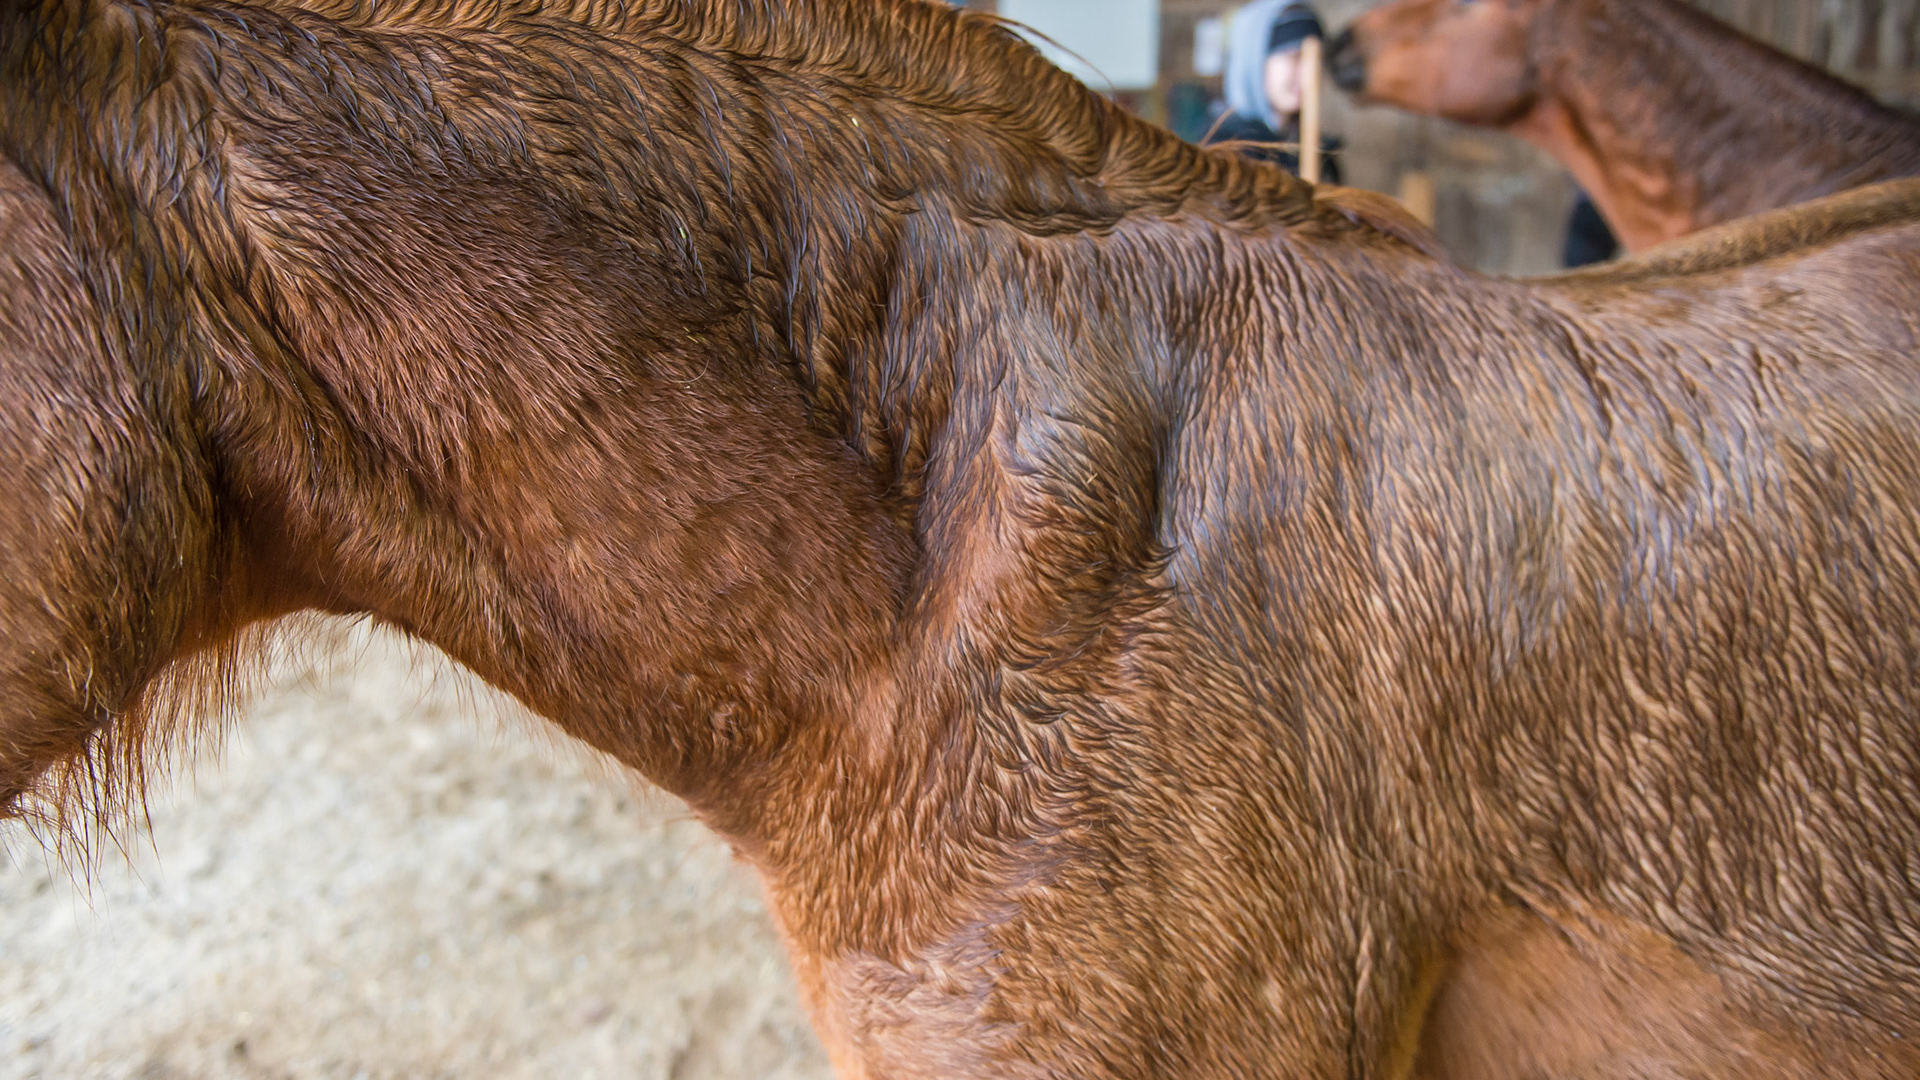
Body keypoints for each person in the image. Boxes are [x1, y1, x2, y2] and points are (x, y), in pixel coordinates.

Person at [1205, 0, 1342, 182]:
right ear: (1254, 62)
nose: (1309, 74)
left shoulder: (1318, 152)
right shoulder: (1222, 155)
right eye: (1294, 57)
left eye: (1317, 60)